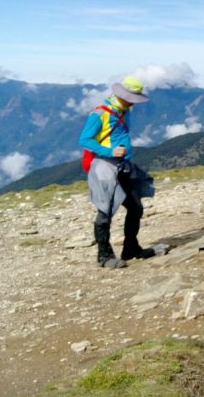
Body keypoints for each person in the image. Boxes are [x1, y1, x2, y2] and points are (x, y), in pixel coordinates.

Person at [79, 76, 163, 268]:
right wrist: (110, 151)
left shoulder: (125, 110)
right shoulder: (100, 114)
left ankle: (131, 248)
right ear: (122, 95)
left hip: (123, 165)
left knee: (135, 208)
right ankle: (104, 255)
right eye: (132, 97)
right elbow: (84, 139)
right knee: (105, 211)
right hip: (104, 166)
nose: (134, 101)